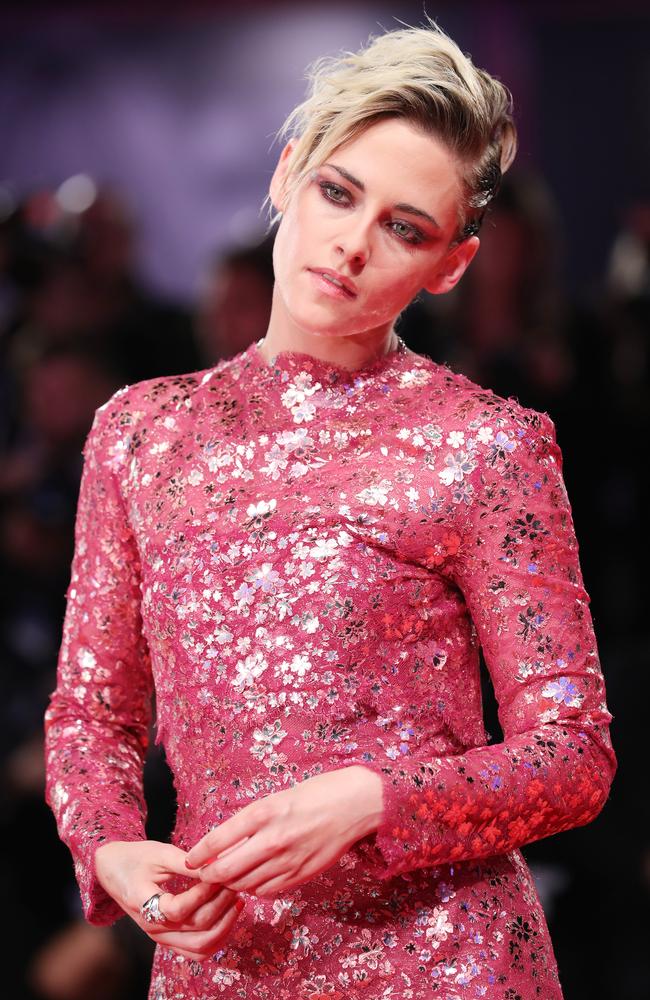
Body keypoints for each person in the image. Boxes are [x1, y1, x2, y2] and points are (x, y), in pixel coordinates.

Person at [44, 16, 616, 1000]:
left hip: (446, 960)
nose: (350, 245)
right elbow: (92, 714)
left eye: (403, 226)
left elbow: (571, 757)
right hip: (221, 958)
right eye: (337, 192)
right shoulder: (140, 433)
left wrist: (373, 800)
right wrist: (115, 855)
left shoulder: (486, 444)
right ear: (284, 176)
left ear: (450, 265)